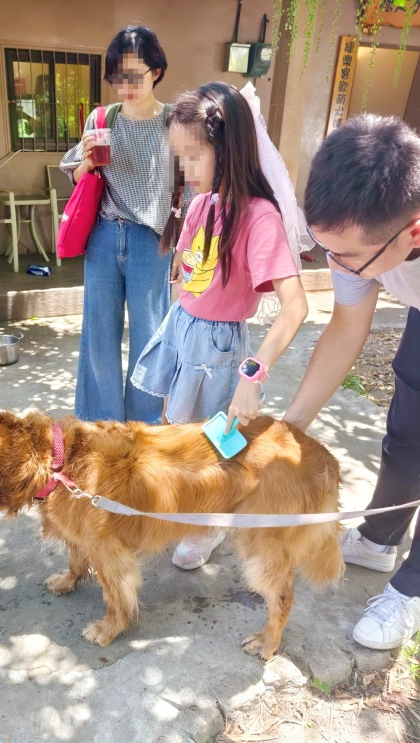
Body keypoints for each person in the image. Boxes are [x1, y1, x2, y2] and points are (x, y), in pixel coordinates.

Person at [131, 82, 308, 569]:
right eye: (180, 158)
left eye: (194, 156)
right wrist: (173, 336)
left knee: (215, 443)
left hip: (220, 346)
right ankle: (184, 507)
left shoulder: (259, 217)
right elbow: (185, 278)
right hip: (183, 329)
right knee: (176, 428)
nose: (186, 171)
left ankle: (209, 523)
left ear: (228, 149)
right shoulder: (202, 205)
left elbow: (295, 308)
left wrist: (251, 379)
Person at [284, 114, 420, 651]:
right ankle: (379, 537)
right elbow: (345, 327)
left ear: (414, 229)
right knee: (408, 422)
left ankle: (412, 589)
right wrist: (286, 429)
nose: (336, 265)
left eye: (349, 257)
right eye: (325, 250)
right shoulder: (355, 235)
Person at [60, 25, 174, 424]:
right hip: (105, 235)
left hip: (153, 241)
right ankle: (101, 425)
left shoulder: (175, 123)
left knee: (151, 337)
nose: (125, 85)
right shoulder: (102, 118)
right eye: (117, 76)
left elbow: (193, 185)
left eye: (134, 75)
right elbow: (73, 174)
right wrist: (88, 161)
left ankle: (143, 428)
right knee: (99, 334)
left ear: (156, 71)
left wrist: (184, 247)